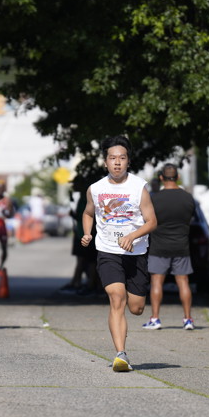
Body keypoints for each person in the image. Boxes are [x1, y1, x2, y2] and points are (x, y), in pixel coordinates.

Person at [80, 135, 157, 372]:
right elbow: (88, 213)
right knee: (116, 298)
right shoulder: (96, 189)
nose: (117, 162)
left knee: (136, 308)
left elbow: (152, 221)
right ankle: (120, 354)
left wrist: (132, 236)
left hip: (136, 252)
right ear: (105, 162)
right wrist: (87, 233)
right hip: (108, 251)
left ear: (128, 161)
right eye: (112, 158)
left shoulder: (139, 187)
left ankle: (123, 344)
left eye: (121, 158)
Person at [143, 163, 197, 331]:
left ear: (161, 178)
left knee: (156, 283)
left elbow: (147, 220)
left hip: (158, 247)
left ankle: (155, 319)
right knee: (183, 282)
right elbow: (191, 219)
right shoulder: (188, 198)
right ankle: (188, 319)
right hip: (181, 246)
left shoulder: (154, 199)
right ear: (178, 177)